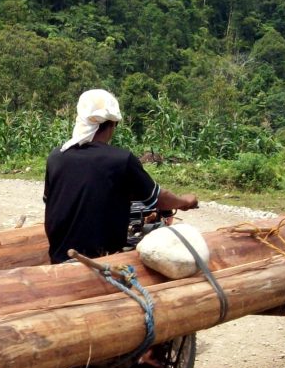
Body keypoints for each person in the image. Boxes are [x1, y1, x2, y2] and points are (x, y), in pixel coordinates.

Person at [43, 89, 199, 264]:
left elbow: (54, 199)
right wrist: (185, 202)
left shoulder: (56, 156)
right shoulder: (121, 159)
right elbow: (158, 199)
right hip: (102, 260)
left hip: (58, 256)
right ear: (111, 125)